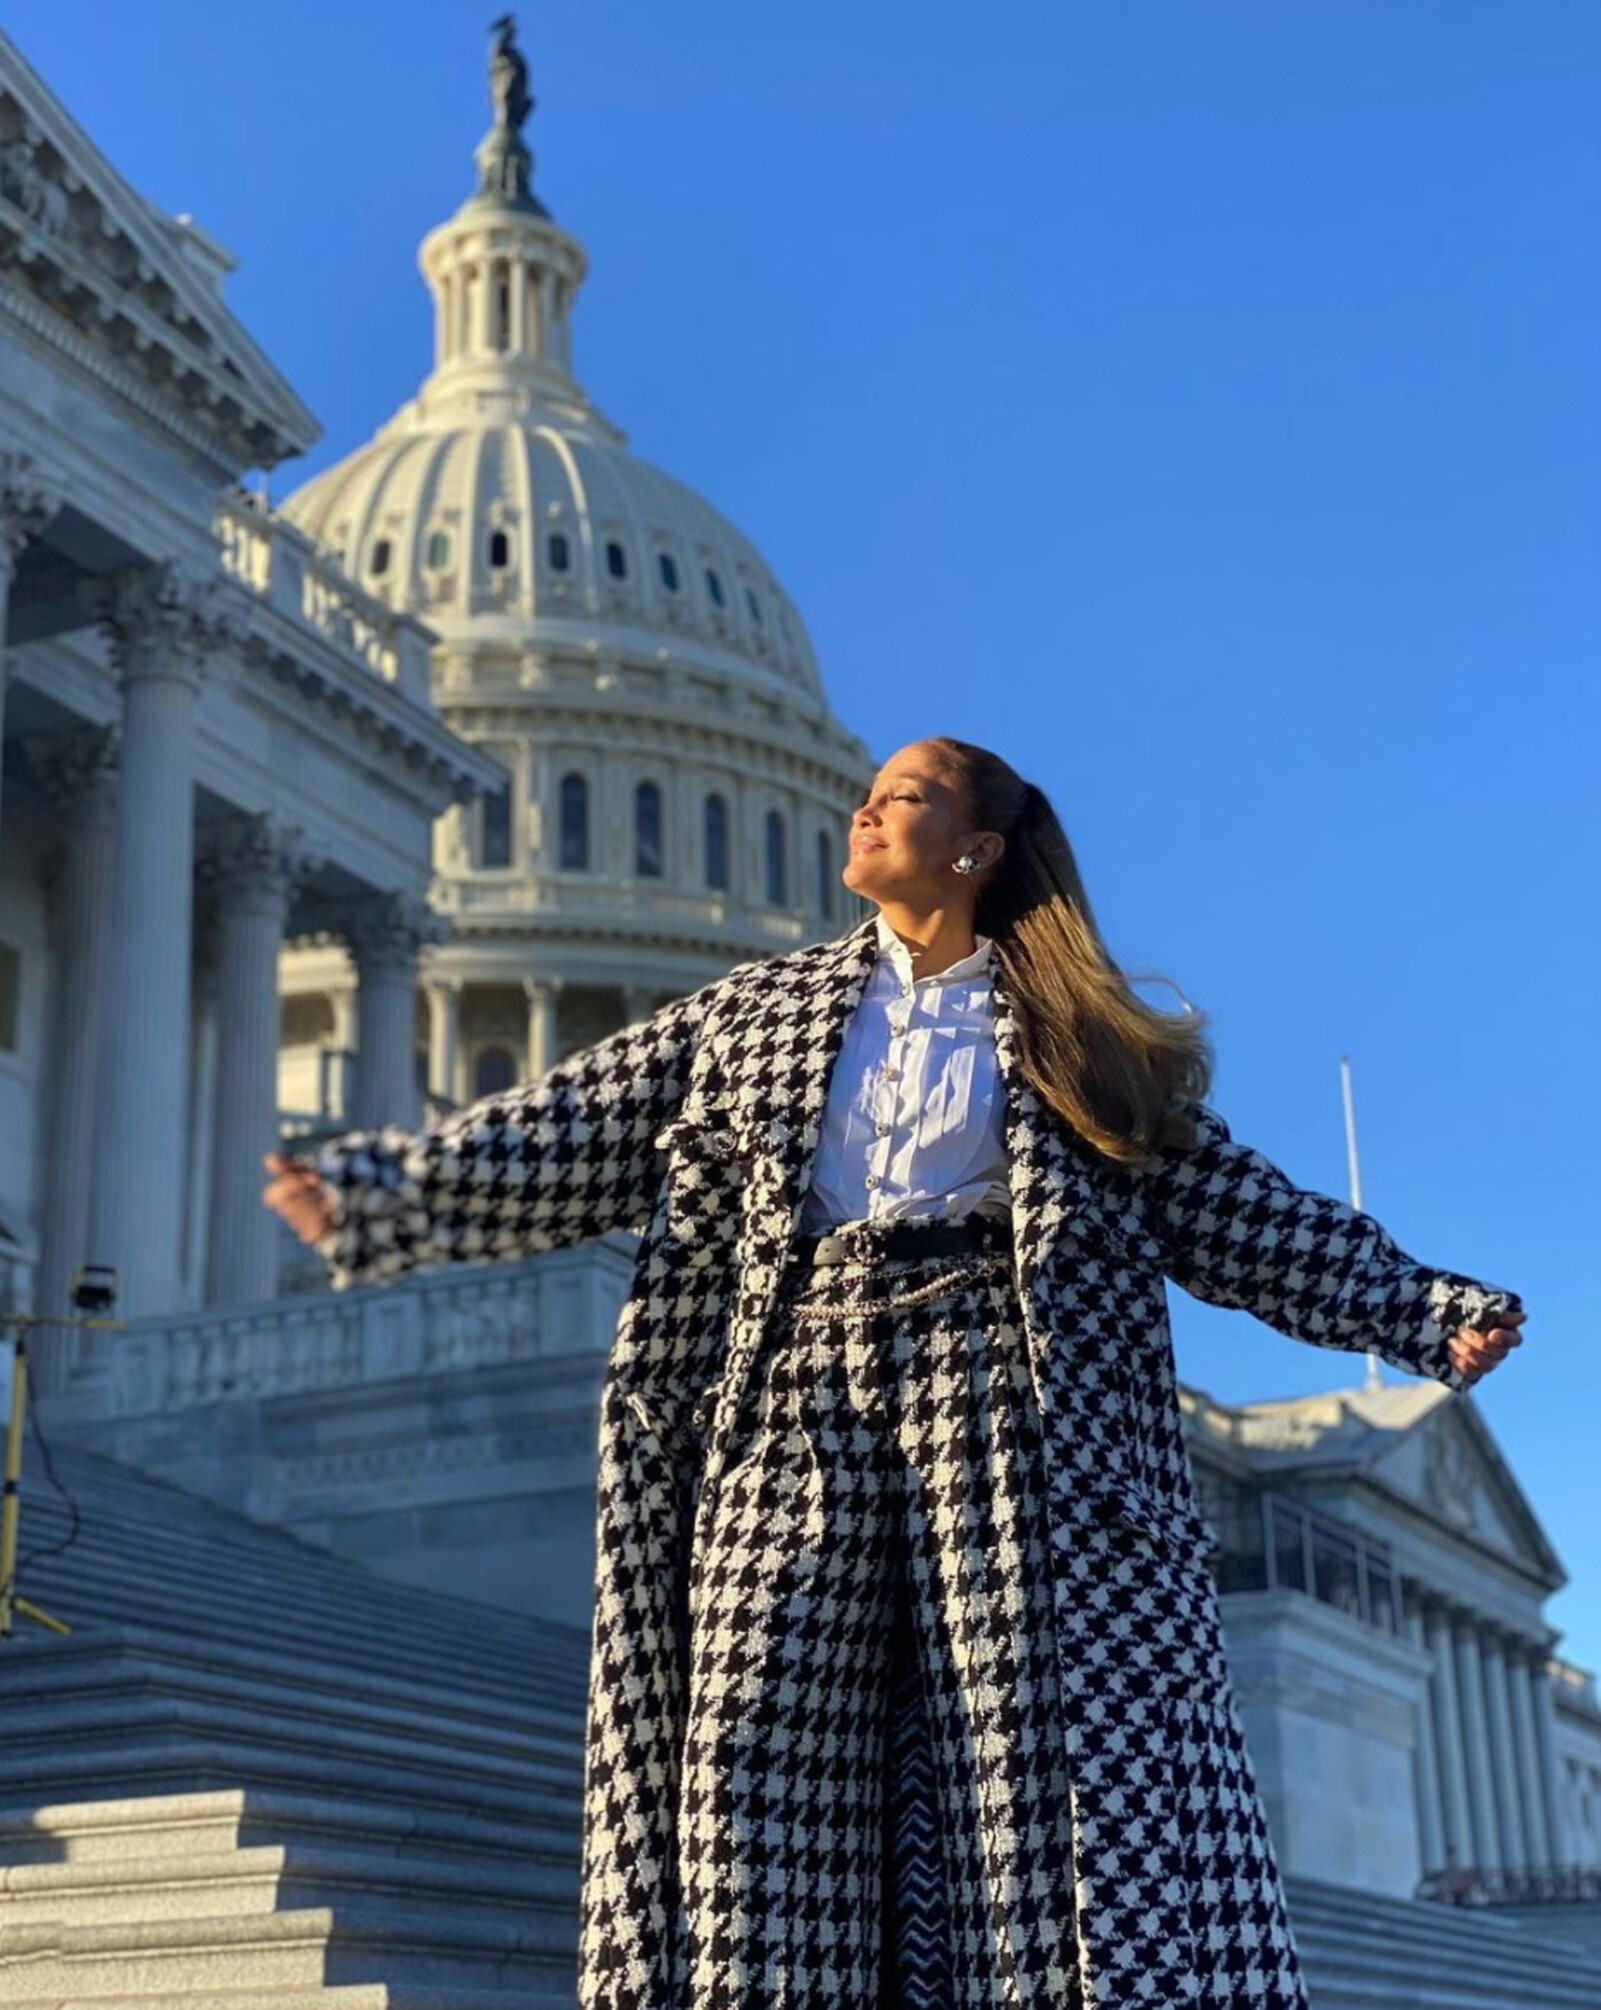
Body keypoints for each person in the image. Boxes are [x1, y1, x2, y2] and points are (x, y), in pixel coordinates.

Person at [264, 734, 1525, 2010]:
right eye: (864, 798)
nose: (862, 814)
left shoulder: (1074, 1044)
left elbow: (1236, 1211)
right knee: (751, 1742)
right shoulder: (753, 1014)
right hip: (795, 1394)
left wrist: (1416, 1310)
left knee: (1019, 1753)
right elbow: (575, 1124)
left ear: (975, 849)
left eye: (900, 799)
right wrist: (386, 1192)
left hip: (1003, 1405)